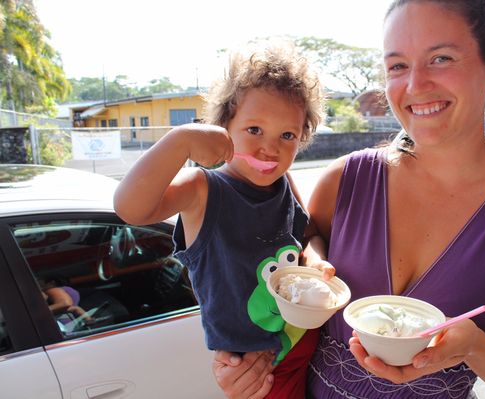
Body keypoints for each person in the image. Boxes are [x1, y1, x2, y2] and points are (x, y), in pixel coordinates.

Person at [211, 1, 485, 398]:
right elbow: (282, 276)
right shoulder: (343, 181)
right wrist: (246, 364)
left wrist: (477, 348)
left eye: (440, 58)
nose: (415, 86)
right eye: (397, 66)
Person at [113, 42, 331, 399]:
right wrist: (180, 140)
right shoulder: (202, 189)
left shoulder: (282, 182)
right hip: (257, 368)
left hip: (305, 339)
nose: (270, 149)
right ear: (223, 125)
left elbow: (308, 235)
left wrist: (317, 261)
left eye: (287, 135)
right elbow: (130, 208)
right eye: (255, 130)